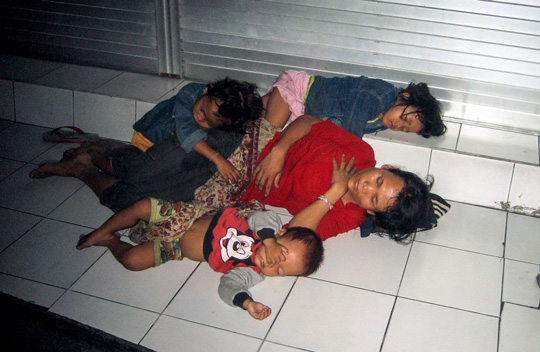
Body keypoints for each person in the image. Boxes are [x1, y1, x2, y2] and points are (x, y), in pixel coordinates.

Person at [29, 78, 265, 212]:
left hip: (165, 153)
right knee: (125, 170)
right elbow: (185, 132)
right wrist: (217, 158)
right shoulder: (190, 93)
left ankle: (87, 161)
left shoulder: (227, 122)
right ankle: (100, 152)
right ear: (208, 90)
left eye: (210, 121)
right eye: (203, 110)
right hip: (148, 139)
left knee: (132, 183)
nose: (200, 118)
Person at [76, 198, 324, 320]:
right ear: (281, 234)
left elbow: (229, 285)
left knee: (132, 261)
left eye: (280, 271)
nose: (272, 263)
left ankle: (112, 242)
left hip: (175, 247)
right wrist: (269, 242)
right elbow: (263, 216)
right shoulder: (264, 230)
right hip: (187, 215)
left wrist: (247, 303)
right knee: (142, 207)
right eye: (280, 255)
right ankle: (101, 231)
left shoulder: (252, 271)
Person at [243, 115, 433, 241]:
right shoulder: (362, 153)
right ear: (387, 168)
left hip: (243, 182)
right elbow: (308, 122)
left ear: (372, 212)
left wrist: (335, 191)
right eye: (379, 180)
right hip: (260, 139)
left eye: (373, 199)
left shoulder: (349, 216)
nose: (366, 186)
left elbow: (295, 235)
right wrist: (279, 151)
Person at [261, 70, 445, 138]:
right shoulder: (380, 93)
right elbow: (352, 126)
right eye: (404, 118)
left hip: (301, 110)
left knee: (246, 115)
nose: (398, 125)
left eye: (404, 129)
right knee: (264, 139)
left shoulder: (382, 121)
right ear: (405, 96)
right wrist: (353, 151)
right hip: (300, 91)